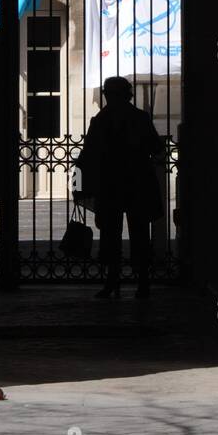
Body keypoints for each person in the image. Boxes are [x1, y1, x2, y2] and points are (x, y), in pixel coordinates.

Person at [76, 76, 165, 299]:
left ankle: (112, 281)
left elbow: (87, 156)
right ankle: (142, 281)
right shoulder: (140, 118)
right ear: (129, 94)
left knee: (110, 235)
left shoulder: (101, 119)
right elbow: (156, 147)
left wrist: (80, 186)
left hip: (111, 184)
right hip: (136, 182)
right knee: (139, 234)